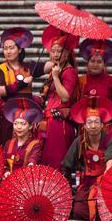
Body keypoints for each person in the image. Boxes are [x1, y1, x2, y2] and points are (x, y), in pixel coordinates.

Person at [63, 95, 112, 221]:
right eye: (89, 122)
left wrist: (106, 178)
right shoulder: (79, 142)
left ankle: (101, 219)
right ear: (85, 126)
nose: (93, 125)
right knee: (78, 211)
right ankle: (101, 220)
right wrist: (66, 190)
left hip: (105, 181)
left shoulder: (110, 140)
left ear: (102, 125)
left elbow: (111, 161)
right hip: (86, 184)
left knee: (107, 202)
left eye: (96, 122)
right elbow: (66, 165)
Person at [0, 97, 44, 219]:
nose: (19, 127)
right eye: (16, 123)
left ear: (30, 126)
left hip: (25, 183)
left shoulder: (35, 144)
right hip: (8, 181)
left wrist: (30, 166)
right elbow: (3, 163)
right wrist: (5, 172)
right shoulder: (9, 143)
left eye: (23, 124)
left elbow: (33, 159)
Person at [75, 39, 112, 159]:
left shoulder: (111, 80)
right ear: (87, 63)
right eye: (92, 61)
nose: (95, 64)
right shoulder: (81, 81)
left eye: (99, 61)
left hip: (108, 129)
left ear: (104, 64)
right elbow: (77, 106)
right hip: (88, 128)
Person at [0, 27, 38, 145]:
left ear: (20, 49)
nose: (8, 51)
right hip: (8, 114)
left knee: (27, 145)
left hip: (26, 114)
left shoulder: (28, 66)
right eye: (5, 48)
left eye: (11, 48)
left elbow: (48, 66)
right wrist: (22, 83)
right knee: (7, 144)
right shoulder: (0, 69)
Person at [39, 26, 79, 170]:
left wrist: (55, 77)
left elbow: (65, 97)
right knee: (47, 158)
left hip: (59, 121)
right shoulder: (56, 69)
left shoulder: (69, 72)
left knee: (56, 160)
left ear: (67, 53)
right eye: (53, 51)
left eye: (60, 51)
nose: (56, 54)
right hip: (50, 119)